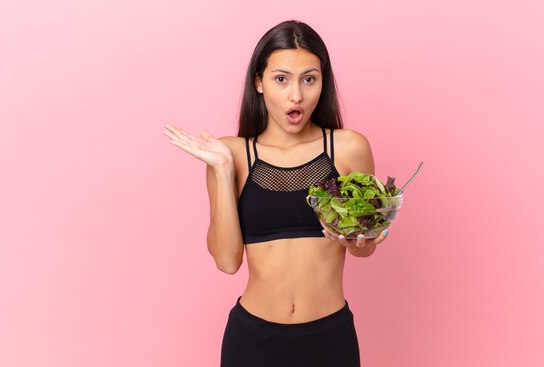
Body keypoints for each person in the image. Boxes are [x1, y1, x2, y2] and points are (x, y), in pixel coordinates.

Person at [163, 19, 389, 367]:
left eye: (308, 79)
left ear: (322, 82)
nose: (296, 95)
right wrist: (223, 170)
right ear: (259, 81)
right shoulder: (233, 154)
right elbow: (227, 261)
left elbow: (362, 246)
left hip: (330, 340)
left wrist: (365, 241)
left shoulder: (347, 148)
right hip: (252, 340)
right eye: (281, 79)